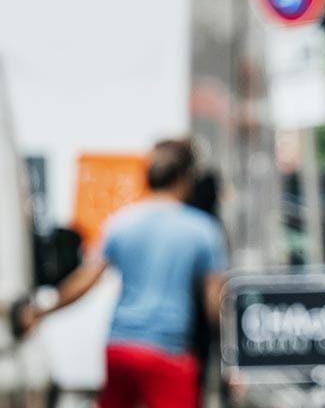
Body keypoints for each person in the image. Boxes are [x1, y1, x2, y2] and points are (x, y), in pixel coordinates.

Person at [21, 138, 229, 408]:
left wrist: (40, 312)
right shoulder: (203, 231)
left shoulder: (122, 223)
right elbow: (215, 304)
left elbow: (86, 280)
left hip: (120, 349)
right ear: (186, 178)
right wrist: (236, 355)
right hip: (169, 352)